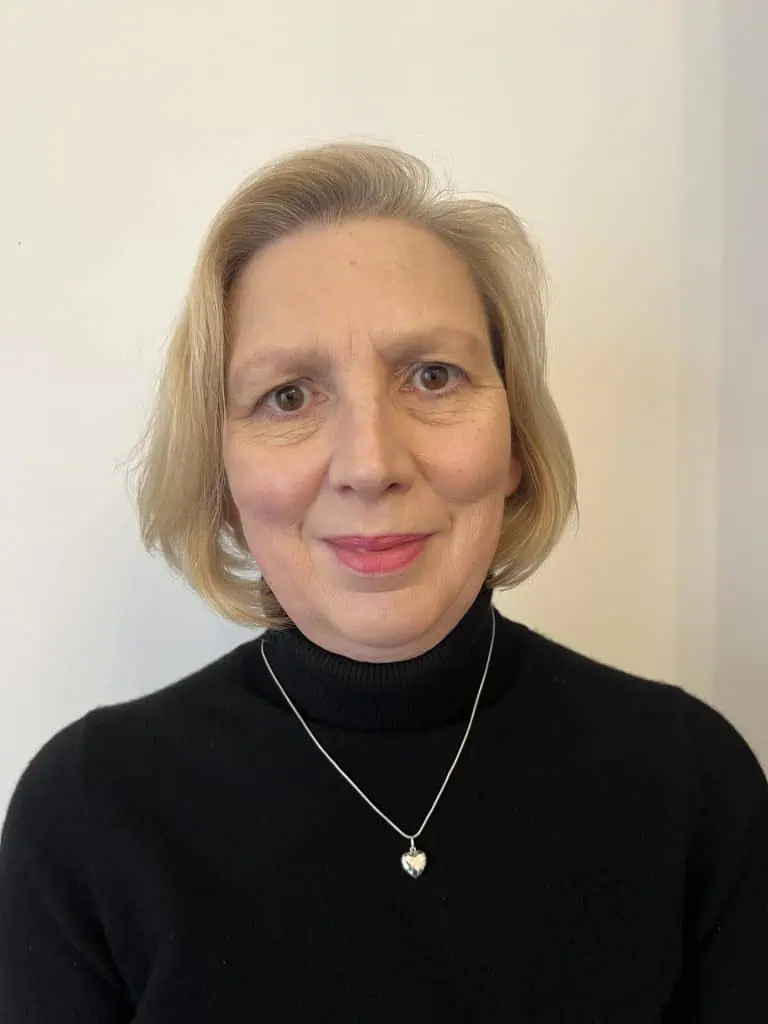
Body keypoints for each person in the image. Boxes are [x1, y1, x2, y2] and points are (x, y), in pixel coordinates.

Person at [1, 140, 766, 1023]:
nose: (371, 464)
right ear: (221, 482)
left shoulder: (690, 784)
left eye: (433, 376)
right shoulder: (92, 812)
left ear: (515, 440)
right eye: (288, 395)